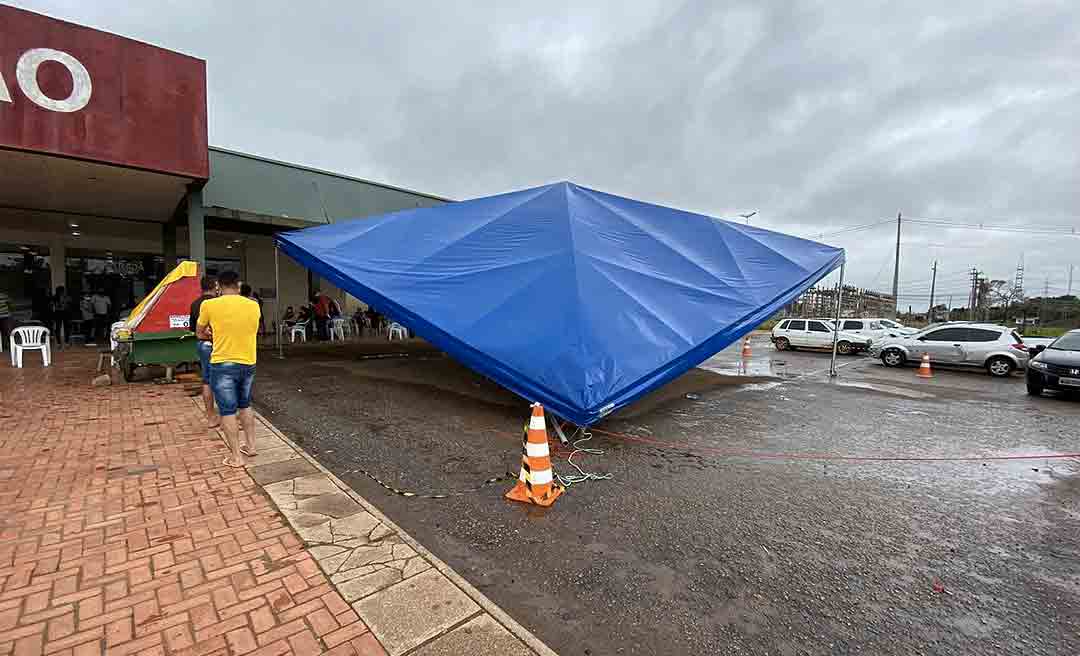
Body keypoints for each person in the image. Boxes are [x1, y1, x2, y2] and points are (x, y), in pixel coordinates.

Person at [196, 271, 260, 468]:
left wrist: (213, 335)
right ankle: (250, 447)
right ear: (238, 286)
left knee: (227, 411)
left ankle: (236, 458)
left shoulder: (209, 305)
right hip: (248, 362)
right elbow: (251, 330)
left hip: (223, 363)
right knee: (245, 405)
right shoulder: (253, 305)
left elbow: (199, 332)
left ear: (218, 286)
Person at [189, 276, 219, 428]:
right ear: (215, 286)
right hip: (218, 344)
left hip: (202, 344)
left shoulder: (194, 304)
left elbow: (192, 329)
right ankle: (228, 414)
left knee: (207, 380)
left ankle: (211, 416)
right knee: (223, 379)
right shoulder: (217, 303)